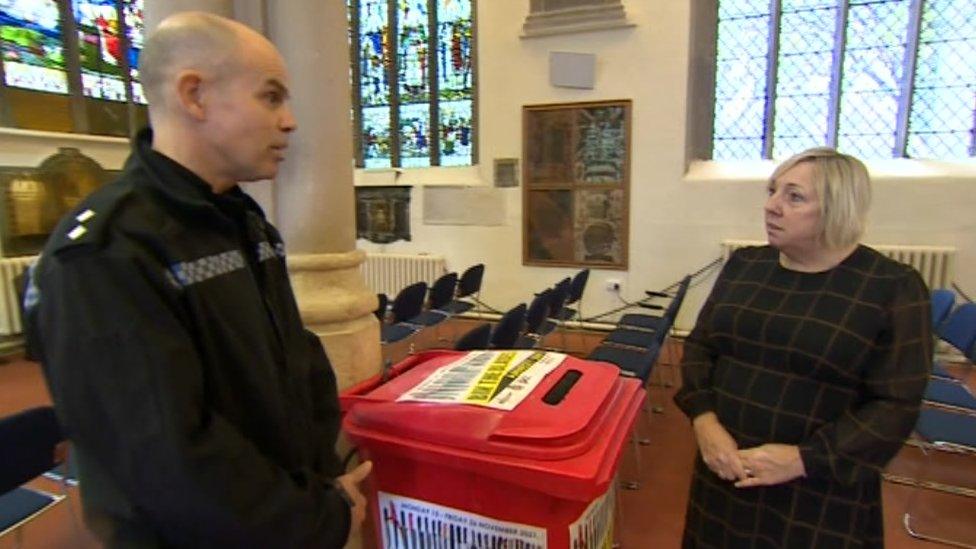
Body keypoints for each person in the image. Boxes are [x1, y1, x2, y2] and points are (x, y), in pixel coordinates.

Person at [24, 12, 371, 548]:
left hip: (276, 521)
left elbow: (296, 365)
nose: (290, 121)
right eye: (271, 97)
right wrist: (317, 520)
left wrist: (323, 484)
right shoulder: (107, 252)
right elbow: (168, 462)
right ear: (194, 95)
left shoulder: (240, 220)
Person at [674, 147, 932, 548]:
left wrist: (803, 459)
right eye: (772, 191)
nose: (771, 206)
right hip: (724, 470)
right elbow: (700, 348)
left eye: (794, 197)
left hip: (819, 488)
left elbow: (895, 405)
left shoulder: (890, 287)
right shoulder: (746, 265)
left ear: (837, 208)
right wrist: (704, 421)